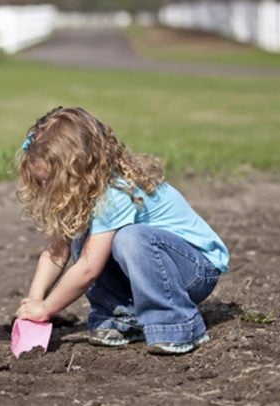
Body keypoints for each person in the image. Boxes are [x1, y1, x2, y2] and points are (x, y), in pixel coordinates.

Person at [14, 106, 228, 355]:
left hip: (194, 273)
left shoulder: (115, 193)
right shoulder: (81, 194)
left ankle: (177, 324)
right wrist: (35, 300)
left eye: (53, 181)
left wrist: (48, 308)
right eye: (42, 182)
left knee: (129, 238)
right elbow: (56, 251)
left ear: (79, 169)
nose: (47, 188)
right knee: (81, 235)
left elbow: (88, 269)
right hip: (151, 271)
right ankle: (123, 319)